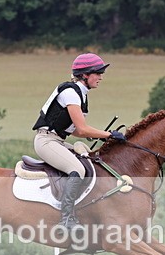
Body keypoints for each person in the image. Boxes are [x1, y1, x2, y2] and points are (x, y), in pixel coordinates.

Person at [32, 53, 126, 230]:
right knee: (77, 169)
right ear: (85, 75)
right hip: (46, 141)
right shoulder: (70, 93)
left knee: (89, 162)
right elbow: (82, 129)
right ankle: (66, 219)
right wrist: (109, 135)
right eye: (97, 73)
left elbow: (74, 130)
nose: (100, 77)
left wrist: (102, 136)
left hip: (57, 141)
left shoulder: (81, 95)